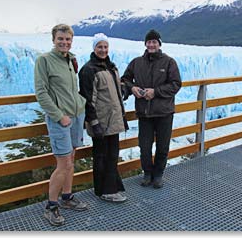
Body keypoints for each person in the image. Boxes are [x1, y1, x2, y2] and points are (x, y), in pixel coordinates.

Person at [34, 24, 88, 226]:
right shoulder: (44, 61)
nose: (64, 42)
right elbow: (41, 93)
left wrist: (80, 108)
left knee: (71, 159)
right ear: (53, 39)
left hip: (76, 115)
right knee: (63, 164)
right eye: (60, 39)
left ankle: (67, 198)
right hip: (61, 120)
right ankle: (51, 207)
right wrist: (59, 116)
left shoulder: (70, 60)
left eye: (67, 39)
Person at [121, 29, 181, 188]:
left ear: (159, 44)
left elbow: (176, 84)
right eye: (149, 42)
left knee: (162, 146)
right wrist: (132, 87)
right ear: (145, 44)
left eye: (155, 42)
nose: (152, 44)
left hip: (164, 113)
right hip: (145, 113)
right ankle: (147, 173)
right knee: (145, 147)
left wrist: (156, 92)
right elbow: (125, 79)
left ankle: (158, 174)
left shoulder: (169, 62)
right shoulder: (137, 62)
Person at [79, 33, 128, 202]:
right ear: (94, 48)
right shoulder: (89, 70)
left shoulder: (110, 67)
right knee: (103, 155)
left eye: (105, 47)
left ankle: (106, 187)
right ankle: (107, 191)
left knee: (111, 154)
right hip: (101, 121)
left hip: (113, 119)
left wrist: (125, 88)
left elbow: (114, 88)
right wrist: (94, 123)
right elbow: (87, 98)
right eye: (100, 47)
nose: (103, 50)